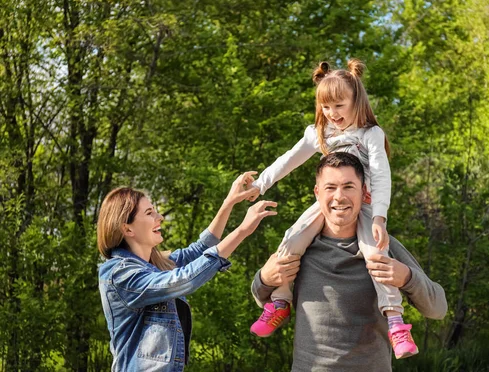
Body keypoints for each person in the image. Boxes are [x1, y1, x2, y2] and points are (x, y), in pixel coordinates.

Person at [247, 59, 416, 358]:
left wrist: (379, 216)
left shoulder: (369, 134)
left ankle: (396, 322)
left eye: (339, 105)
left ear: (356, 101)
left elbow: (380, 175)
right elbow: (289, 159)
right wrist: (260, 184)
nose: (332, 114)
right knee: (291, 239)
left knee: (376, 254)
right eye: (326, 107)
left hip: (363, 207)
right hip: (328, 205)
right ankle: (280, 302)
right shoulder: (319, 133)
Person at [251, 153, 447, 371]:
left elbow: (438, 308)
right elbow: (268, 306)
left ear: (364, 193)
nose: (339, 196)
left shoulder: (382, 246)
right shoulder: (298, 247)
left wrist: (407, 278)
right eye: (330, 187)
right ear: (317, 193)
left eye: (348, 187)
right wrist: (264, 279)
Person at [97, 171, 276, 371]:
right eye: (149, 213)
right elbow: (183, 280)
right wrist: (242, 230)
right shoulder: (119, 274)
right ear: (127, 229)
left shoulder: (155, 265)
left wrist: (229, 202)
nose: (160, 217)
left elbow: (199, 249)